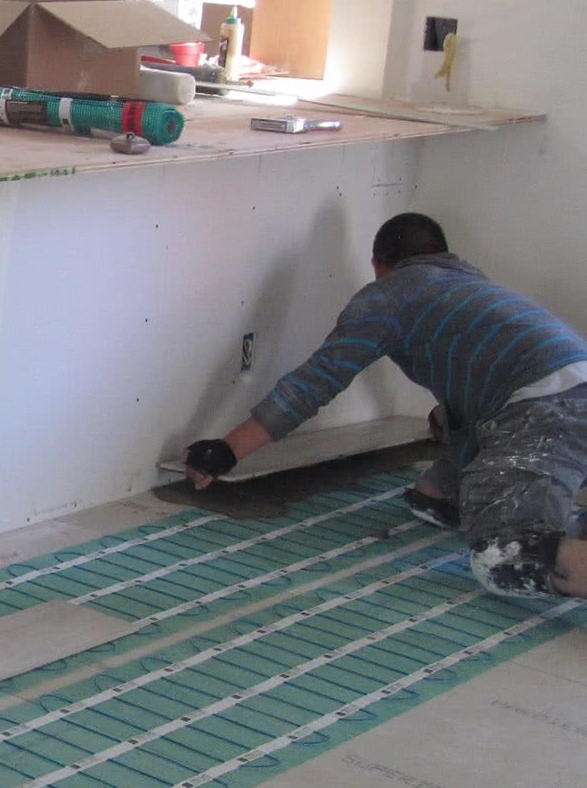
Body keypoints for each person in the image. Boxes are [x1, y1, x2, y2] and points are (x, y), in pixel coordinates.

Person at [182, 213, 587, 599]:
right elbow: (472, 409)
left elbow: (317, 380)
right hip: (564, 396)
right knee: (440, 461)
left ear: (377, 265)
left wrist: (229, 449)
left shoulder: (389, 296)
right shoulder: (471, 287)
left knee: (505, 555)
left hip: (547, 410)